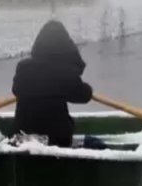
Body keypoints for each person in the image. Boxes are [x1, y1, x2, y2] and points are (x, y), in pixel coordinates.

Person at [12, 20, 95, 148]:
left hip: (23, 137)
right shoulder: (64, 72)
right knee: (94, 143)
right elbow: (84, 95)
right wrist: (88, 89)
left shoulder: (22, 67)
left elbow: (15, 90)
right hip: (56, 140)